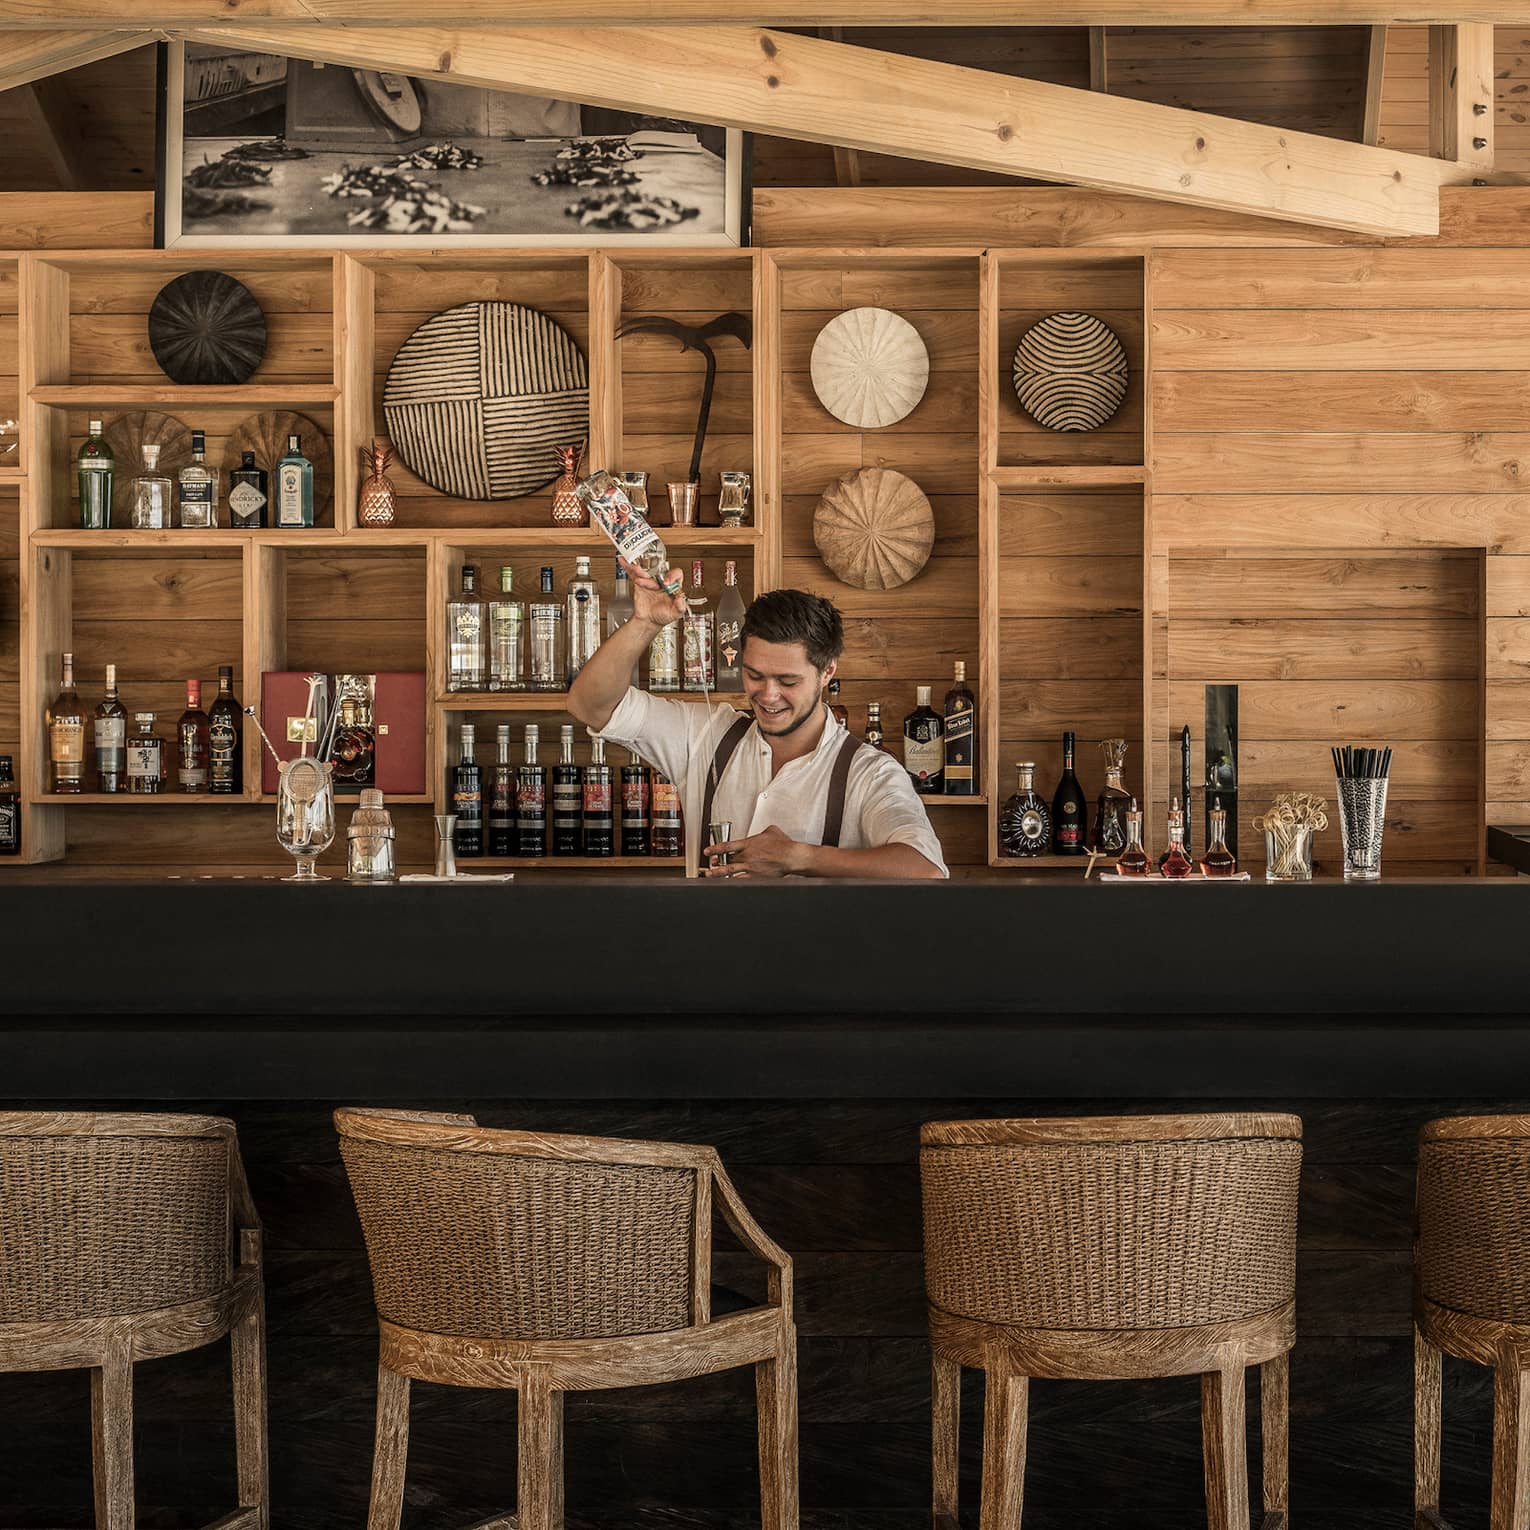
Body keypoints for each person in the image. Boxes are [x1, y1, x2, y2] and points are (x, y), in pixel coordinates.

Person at [567, 568, 948, 880]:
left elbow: (925, 868)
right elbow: (589, 704)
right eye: (754, 675)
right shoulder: (707, 733)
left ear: (827, 671)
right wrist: (645, 622)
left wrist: (800, 857)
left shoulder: (869, 772)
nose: (767, 695)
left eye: (787, 681)